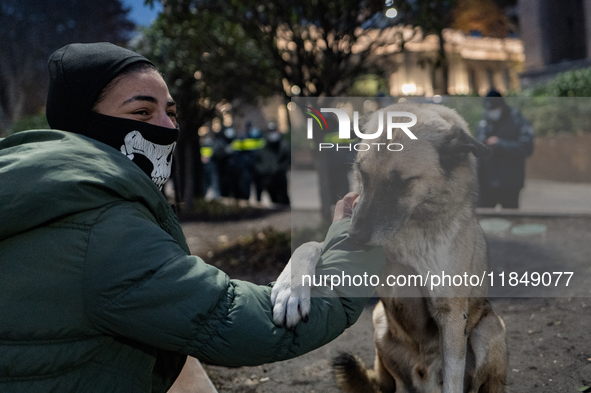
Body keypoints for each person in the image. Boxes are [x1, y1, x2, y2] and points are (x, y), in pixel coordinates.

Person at [0, 43, 385, 392]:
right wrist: (355, 240)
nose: (169, 128)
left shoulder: (38, 190)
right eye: (141, 111)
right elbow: (251, 325)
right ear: (86, 124)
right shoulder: (102, 228)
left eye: (170, 111)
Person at [476, 89, 534, 209]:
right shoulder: (484, 121)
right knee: (484, 220)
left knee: (510, 219)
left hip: (509, 183)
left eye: (493, 109)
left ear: (502, 106)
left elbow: (526, 147)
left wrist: (500, 144)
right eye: (488, 110)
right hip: (486, 182)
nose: (491, 112)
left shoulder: (517, 120)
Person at [256, 121, 291, 205]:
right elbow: (258, 161)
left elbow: (288, 159)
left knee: (283, 199)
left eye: (274, 131)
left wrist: (280, 169)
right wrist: (263, 171)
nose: (273, 134)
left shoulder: (283, 145)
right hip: (268, 179)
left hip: (280, 177)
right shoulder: (263, 146)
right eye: (270, 131)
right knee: (274, 200)